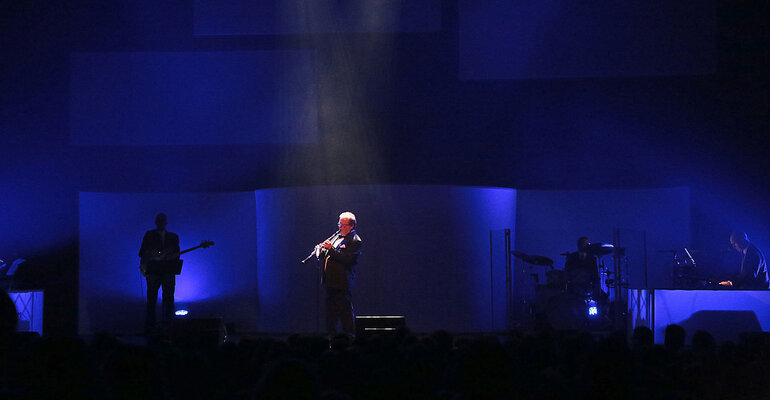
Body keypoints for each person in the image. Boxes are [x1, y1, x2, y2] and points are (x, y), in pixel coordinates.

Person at [317, 211, 362, 338]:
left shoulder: (355, 240)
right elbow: (326, 255)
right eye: (339, 223)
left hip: (342, 283)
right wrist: (320, 251)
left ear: (351, 226)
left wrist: (331, 249)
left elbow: (348, 260)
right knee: (330, 315)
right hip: (330, 283)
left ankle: (349, 338)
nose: (339, 226)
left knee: (345, 312)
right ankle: (331, 339)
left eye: (342, 224)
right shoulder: (336, 238)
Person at [139, 213, 180, 332]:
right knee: (152, 298)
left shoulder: (173, 237)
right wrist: (153, 255)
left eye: (163, 221)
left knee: (168, 297)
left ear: (166, 223)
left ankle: (169, 325)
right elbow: (141, 252)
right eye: (159, 221)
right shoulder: (149, 235)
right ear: (156, 222)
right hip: (153, 271)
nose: (161, 223)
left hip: (167, 271)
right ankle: (151, 326)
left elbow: (177, 254)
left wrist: (168, 256)